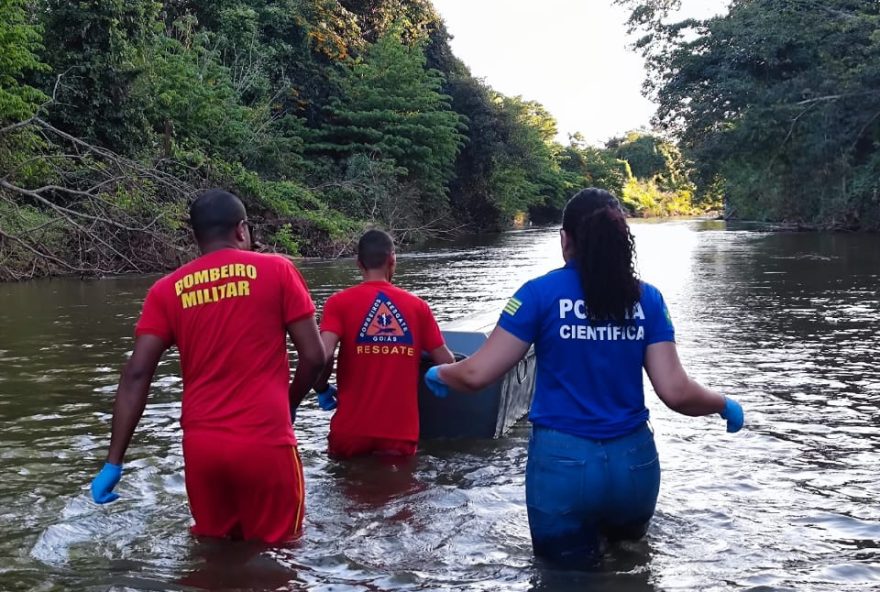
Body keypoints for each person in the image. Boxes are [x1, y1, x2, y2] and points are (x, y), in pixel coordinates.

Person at [423, 188, 745, 565]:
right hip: (634, 466)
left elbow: (477, 374)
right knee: (631, 569)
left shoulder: (538, 295)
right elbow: (676, 392)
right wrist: (723, 404)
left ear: (565, 239)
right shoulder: (647, 299)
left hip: (564, 468)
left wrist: (441, 371)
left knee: (564, 580)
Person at [88, 189, 325, 543]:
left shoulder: (167, 290)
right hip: (264, 441)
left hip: (202, 450)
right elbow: (315, 356)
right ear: (242, 230)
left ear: (195, 237)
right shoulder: (277, 270)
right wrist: (290, 403)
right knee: (281, 556)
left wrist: (114, 461)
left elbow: (136, 374)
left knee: (213, 555)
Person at [314, 229, 454, 459]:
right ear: (392, 260)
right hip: (399, 434)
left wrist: (321, 388)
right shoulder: (418, 308)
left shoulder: (338, 303)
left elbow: (322, 355)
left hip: (350, 432)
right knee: (398, 492)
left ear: (359, 264)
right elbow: (446, 362)